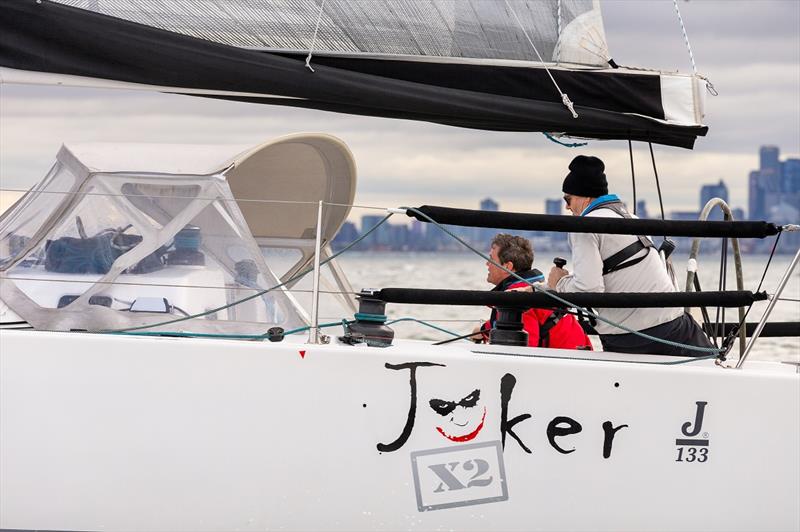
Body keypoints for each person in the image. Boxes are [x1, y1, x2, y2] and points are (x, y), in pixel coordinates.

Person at [545, 155, 713, 356]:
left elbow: (588, 288)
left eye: (568, 199)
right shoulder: (631, 218)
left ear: (584, 196)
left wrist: (558, 283)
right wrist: (542, 288)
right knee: (716, 368)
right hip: (674, 326)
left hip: (630, 337)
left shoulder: (584, 225)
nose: (567, 207)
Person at [472, 233, 592, 350]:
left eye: (491, 259)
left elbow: (526, 350)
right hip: (577, 354)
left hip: (567, 364)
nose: (487, 263)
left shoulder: (519, 298)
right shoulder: (531, 287)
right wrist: (483, 329)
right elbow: (511, 322)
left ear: (507, 266)